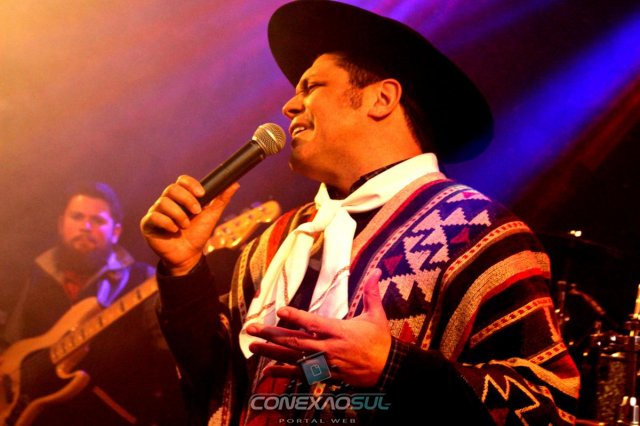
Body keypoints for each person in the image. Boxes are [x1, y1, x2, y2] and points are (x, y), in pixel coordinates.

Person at [140, 2, 581, 425]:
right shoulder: (273, 244)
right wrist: (183, 272)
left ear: (381, 99)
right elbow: (221, 386)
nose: (289, 106)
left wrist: (394, 368)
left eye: (311, 86)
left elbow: (546, 408)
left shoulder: (478, 232)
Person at [2, 181, 186, 425]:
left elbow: (173, 350)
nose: (86, 227)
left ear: (116, 231)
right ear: (61, 224)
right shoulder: (33, 275)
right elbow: (10, 342)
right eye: (77, 217)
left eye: (98, 220)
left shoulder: (143, 278)